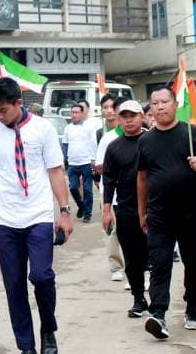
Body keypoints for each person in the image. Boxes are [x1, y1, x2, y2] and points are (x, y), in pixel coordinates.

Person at [0, 78, 73, 354]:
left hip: (36, 214)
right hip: (4, 218)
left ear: (18, 104)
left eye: (4, 110)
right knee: (14, 286)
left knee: (42, 276)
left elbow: (55, 171)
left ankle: (48, 329)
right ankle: (26, 347)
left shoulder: (42, 129)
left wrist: (64, 211)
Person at [137, 86, 196, 340]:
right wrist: (142, 213)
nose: (160, 106)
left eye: (164, 102)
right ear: (150, 109)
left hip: (191, 214)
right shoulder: (146, 140)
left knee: (194, 263)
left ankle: (192, 306)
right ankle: (159, 314)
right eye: (155, 103)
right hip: (159, 215)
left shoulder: (192, 133)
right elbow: (142, 178)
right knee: (159, 265)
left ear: (174, 105)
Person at [101, 99, 150, 318]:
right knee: (132, 257)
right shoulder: (114, 147)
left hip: (154, 208)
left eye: (133, 116)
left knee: (154, 255)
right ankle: (139, 299)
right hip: (126, 208)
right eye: (124, 116)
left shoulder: (152, 140)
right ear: (119, 120)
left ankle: (158, 301)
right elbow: (109, 179)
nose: (129, 120)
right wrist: (106, 209)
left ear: (142, 116)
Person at [95, 93, 126, 282]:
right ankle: (116, 266)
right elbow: (99, 166)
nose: (109, 111)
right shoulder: (106, 138)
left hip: (133, 192)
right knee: (113, 230)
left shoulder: (144, 134)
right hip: (110, 192)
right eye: (105, 108)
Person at [61, 104, 98, 222]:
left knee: (87, 190)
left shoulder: (89, 128)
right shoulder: (68, 128)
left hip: (86, 163)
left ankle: (87, 214)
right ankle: (81, 206)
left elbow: (94, 144)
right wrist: (65, 160)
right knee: (73, 188)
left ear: (82, 114)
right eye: (72, 112)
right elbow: (65, 145)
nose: (74, 114)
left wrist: (94, 160)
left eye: (76, 112)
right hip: (72, 164)